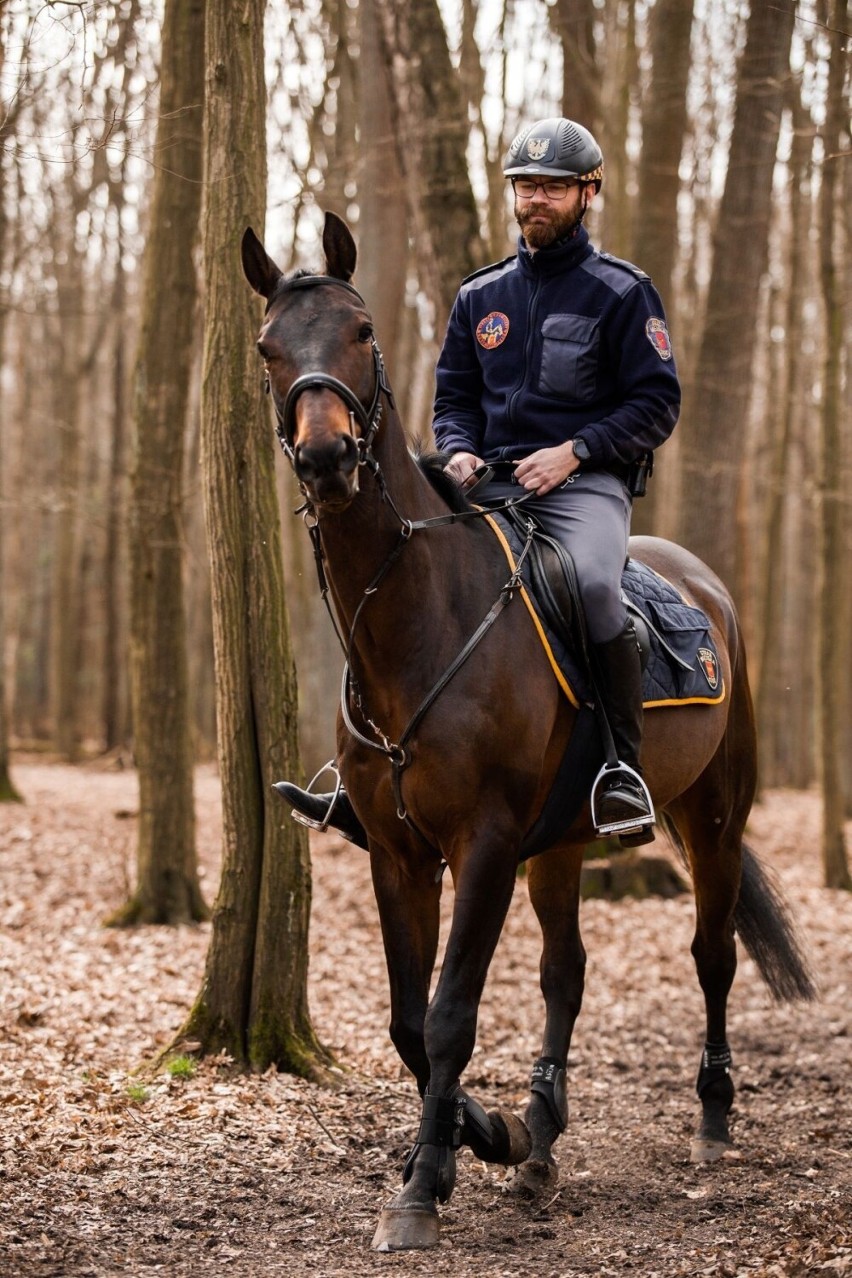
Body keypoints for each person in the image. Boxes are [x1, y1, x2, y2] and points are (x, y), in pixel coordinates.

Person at [278, 116, 680, 848]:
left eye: (554, 188)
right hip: (487, 486)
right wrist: (457, 450)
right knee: (400, 574)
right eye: (527, 187)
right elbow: (454, 396)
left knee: (592, 584)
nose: (537, 200)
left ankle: (622, 768)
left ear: (588, 193)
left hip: (583, 489)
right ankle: (365, 766)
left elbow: (657, 403)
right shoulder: (480, 296)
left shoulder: (623, 292)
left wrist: (577, 451)